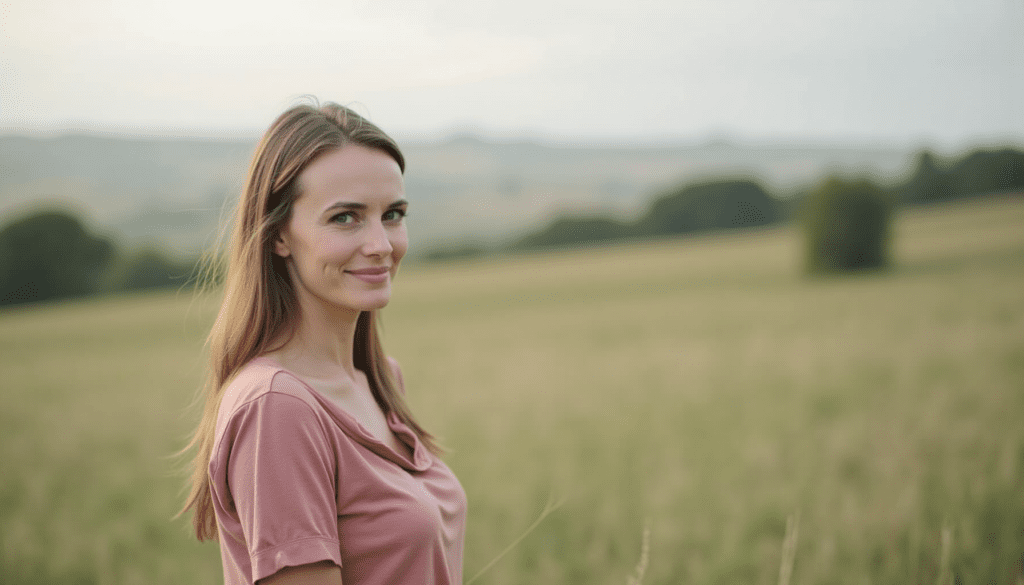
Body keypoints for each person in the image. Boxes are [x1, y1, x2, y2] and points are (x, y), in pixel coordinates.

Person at [180, 101, 467, 585]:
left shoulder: (377, 380)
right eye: (345, 218)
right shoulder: (278, 408)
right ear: (279, 236)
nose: (381, 244)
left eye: (392, 214)